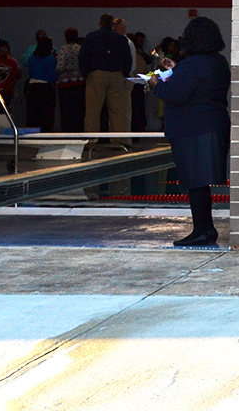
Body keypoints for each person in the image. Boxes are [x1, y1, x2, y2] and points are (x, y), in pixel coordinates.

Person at [149, 16, 230, 247]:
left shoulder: (193, 64)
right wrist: (178, 69)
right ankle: (205, 229)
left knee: (195, 182)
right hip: (213, 124)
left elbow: (175, 94)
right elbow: (197, 85)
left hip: (193, 128)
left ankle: (203, 230)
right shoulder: (218, 61)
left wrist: (155, 83)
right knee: (200, 182)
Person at [80, 13, 132, 134]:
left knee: (93, 111)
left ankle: (91, 140)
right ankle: (118, 139)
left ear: (100, 23)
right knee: (117, 111)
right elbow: (127, 59)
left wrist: (86, 73)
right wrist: (124, 73)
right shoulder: (121, 39)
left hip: (96, 74)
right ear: (112, 25)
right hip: (116, 75)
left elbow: (83, 57)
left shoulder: (91, 37)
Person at [22, 35, 58, 131]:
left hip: (32, 87)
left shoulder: (32, 59)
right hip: (46, 88)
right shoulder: (51, 59)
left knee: (33, 113)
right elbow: (52, 76)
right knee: (46, 114)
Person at [56, 28, 85, 132]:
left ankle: (67, 131)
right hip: (80, 82)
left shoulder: (64, 49)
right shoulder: (80, 48)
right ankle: (78, 130)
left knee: (66, 110)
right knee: (79, 109)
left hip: (65, 84)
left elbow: (60, 67)